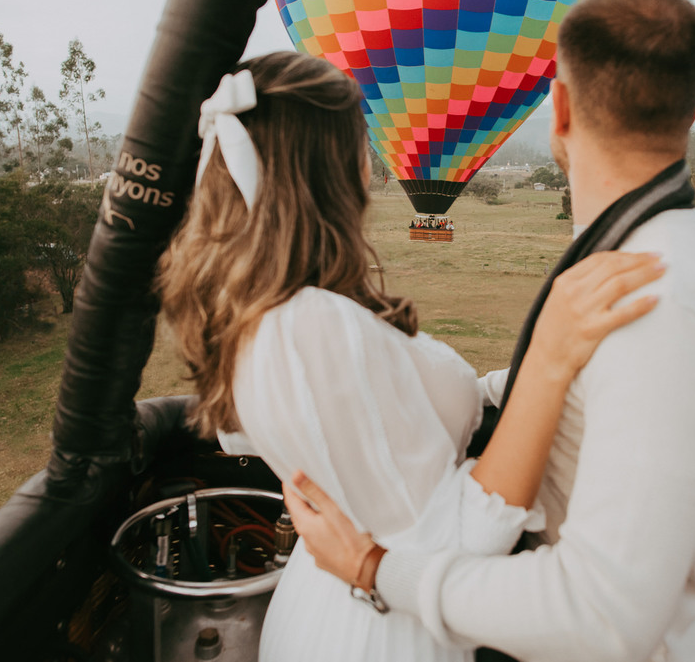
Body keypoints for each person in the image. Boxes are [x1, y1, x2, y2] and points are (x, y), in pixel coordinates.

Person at [284, 0, 695, 662]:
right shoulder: (641, 252)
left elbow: (605, 615)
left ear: (557, 107)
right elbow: (594, 395)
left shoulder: (658, 301)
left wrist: (373, 568)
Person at [155, 50, 667, 662]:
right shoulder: (312, 328)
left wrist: (511, 384)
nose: (369, 166)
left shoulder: (255, 313)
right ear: (330, 168)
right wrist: (552, 358)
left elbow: (380, 419)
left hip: (324, 604)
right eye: (360, 146)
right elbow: (466, 535)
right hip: (393, 627)